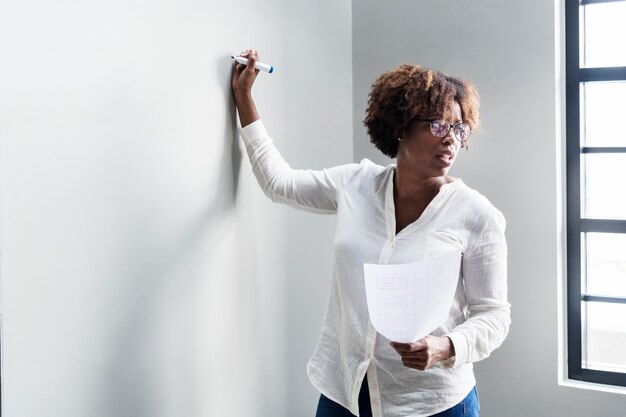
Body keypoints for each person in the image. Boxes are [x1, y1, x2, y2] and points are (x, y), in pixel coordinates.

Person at [231, 49, 510, 417]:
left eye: (460, 129)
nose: (452, 139)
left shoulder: (476, 214)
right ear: (400, 126)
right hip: (343, 393)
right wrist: (244, 99)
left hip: (431, 403)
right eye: (439, 124)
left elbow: (494, 315)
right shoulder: (356, 183)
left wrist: (445, 346)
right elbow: (279, 184)